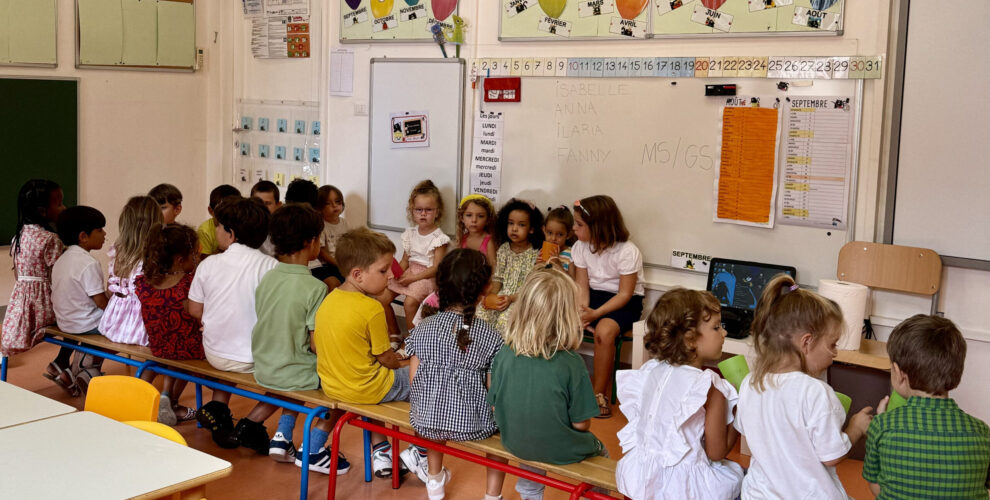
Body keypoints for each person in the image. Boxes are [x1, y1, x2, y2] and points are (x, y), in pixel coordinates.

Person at [735, 274, 873, 500]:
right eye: (832, 344)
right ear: (806, 342)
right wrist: (856, 429)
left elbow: (751, 435)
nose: (835, 353)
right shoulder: (815, 392)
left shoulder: (751, 383)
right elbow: (831, 455)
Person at [247, 203, 350, 475]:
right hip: (294, 373)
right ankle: (314, 447)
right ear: (311, 242)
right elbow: (316, 344)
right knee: (347, 386)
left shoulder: (267, 278)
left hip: (265, 367)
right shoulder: (315, 287)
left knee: (296, 366)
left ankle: (282, 437)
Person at [488, 268, 606, 500]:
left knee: (533, 439)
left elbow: (495, 407)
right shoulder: (573, 363)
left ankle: (531, 494)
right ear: (567, 316)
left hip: (515, 442)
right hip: (559, 447)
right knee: (602, 451)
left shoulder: (504, 354)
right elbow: (582, 425)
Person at [615, 288, 743, 500]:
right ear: (691, 339)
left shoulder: (650, 370)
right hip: (683, 490)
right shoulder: (710, 386)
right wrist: (740, 415)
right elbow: (717, 452)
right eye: (716, 327)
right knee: (742, 481)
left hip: (640, 479)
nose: (724, 333)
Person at [402, 249, 507, 500]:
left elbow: (414, 381)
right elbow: (494, 396)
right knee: (501, 435)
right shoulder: (491, 336)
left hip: (425, 421)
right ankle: (493, 496)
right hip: (474, 425)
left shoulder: (422, 328)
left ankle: (435, 483)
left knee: (434, 422)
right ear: (484, 289)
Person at [313, 227, 412, 478]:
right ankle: (420, 453)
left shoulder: (329, 299)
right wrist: (407, 362)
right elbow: (387, 360)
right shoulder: (372, 308)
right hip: (367, 389)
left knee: (369, 383)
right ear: (357, 274)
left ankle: (380, 451)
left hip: (334, 386)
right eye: (383, 270)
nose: (391, 275)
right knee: (427, 379)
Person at [863, 314, 990, 499]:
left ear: (899, 373)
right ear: (957, 373)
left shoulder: (882, 426)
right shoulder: (982, 432)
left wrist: (881, 421)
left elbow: (875, 484)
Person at [188, 197, 277, 448]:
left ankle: (220, 409)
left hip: (214, 352)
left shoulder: (209, 264)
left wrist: (211, 318)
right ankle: (251, 422)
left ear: (231, 233)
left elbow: (195, 309)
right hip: (252, 359)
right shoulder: (270, 266)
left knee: (229, 346)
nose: (215, 231)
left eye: (218, 226)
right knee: (294, 376)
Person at [571, 195, 644, 417]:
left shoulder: (627, 251)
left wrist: (596, 315)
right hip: (593, 297)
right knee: (562, 322)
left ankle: (598, 394)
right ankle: (562, 389)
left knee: (604, 331)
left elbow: (625, 293)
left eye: (579, 225)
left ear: (598, 227)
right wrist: (584, 313)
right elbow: (581, 286)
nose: (573, 229)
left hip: (624, 302)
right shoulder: (580, 246)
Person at [134, 224, 202, 425]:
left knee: (164, 360)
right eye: (194, 256)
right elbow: (197, 315)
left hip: (158, 346)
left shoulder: (146, 282)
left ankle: (139, 397)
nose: (197, 260)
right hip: (188, 349)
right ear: (181, 259)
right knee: (187, 364)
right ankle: (170, 400)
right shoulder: (187, 284)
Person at [2, 180, 64, 363]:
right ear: (42, 211)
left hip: (19, 306)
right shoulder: (51, 239)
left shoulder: (18, 236)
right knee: (81, 318)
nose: (63, 208)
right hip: (45, 308)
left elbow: (17, 274)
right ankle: (69, 365)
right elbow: (59, 279)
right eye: (59, 203)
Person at [384, 180, 450, 345]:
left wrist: (411, 279)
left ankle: (412, 341)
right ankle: (394, 333)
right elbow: (405, 261)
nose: (423, 214)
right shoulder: (410, 234)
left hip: (427, 277)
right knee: (381, 296)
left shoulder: (439, 238)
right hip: (410, 272)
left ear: (437, 212)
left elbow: (436, 268)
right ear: (412, 211)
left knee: (409, 303)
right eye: (418, 209)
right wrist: (395, 274)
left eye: (428, 210)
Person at [50, 205, 108, 394]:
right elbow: (100, 302)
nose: (105, 234)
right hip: (84, 324)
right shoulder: (89, 263)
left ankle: (70, 367)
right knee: (124, 330)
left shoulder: (62, 259)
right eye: (100, 230)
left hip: (64, 322)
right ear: (83, 236)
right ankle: (89, 366)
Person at [100, 196, 163, 346]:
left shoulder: (117, 251)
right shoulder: (153, 255)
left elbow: (110, 290)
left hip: (114, 320)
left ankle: (90, 364)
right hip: (140, 324)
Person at [478, 199, 543, 334]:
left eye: (521, 225)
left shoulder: (536, 253)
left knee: (504, 321)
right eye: (511, 223)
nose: (514, 228)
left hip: (523, 298)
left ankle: (502, 354)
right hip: (503, 296)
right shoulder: (503, 249)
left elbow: (533, 286)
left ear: (531, 229)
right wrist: (492, 296)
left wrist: (511, 299)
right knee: (481, 313)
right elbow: (498, 278)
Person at [313, 185, 349, 291]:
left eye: (338, 202)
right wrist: (338, 264)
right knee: (334, 284)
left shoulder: (344, 222)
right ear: (319, 207)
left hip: (342, 263)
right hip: (326, 265)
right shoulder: (321, 224)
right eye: (328, 203)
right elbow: (322, 252)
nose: (334, 206)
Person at [197, 184, 240, 259]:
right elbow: (204, 259)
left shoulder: (242, 225)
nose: (227, 219)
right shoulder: (205, 231)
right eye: (221, 214)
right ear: (211, 211)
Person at [456, 194, 497, 268]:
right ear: (462, 218)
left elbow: (493, 267)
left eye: (480, 216)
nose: (474, 220)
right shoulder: (462, 238)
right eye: (469, 215)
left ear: (487, 220)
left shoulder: (489, 241)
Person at [536, 205, 575, 278]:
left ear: (568, 235)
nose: (553, 238)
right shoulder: (542, 251)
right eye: (550, 233)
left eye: (560, 234)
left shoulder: (571, 254)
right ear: (544, 230)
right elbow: (537, 277)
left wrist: (558, 264)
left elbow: (572, 281)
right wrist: (538, 266)